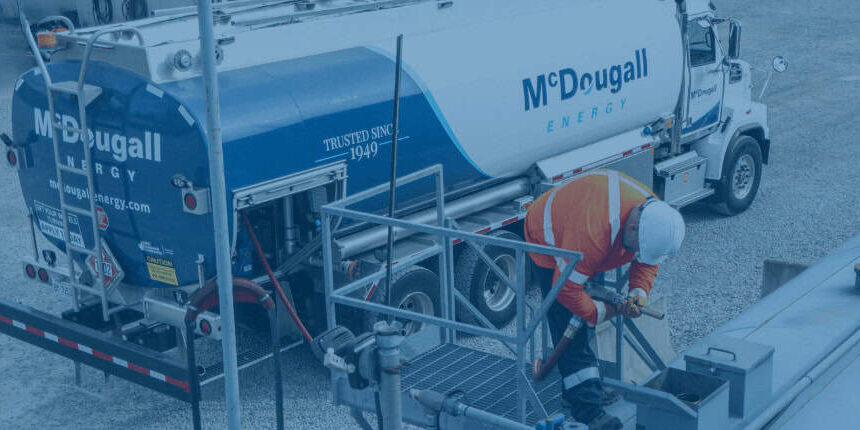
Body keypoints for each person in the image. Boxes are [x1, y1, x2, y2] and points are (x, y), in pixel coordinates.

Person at [524, 169, 685, 430]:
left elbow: (646, 262)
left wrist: (638, 294)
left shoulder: (654, 215)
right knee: (571, 326)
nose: (636, 254)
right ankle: (589, 411)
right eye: (636, 247)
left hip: (584, 242)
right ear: (633, 227)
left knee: (584, 319)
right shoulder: (592, 232)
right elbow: (566, 289)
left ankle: (579, 387)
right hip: (547, 240)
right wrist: (600, 312)